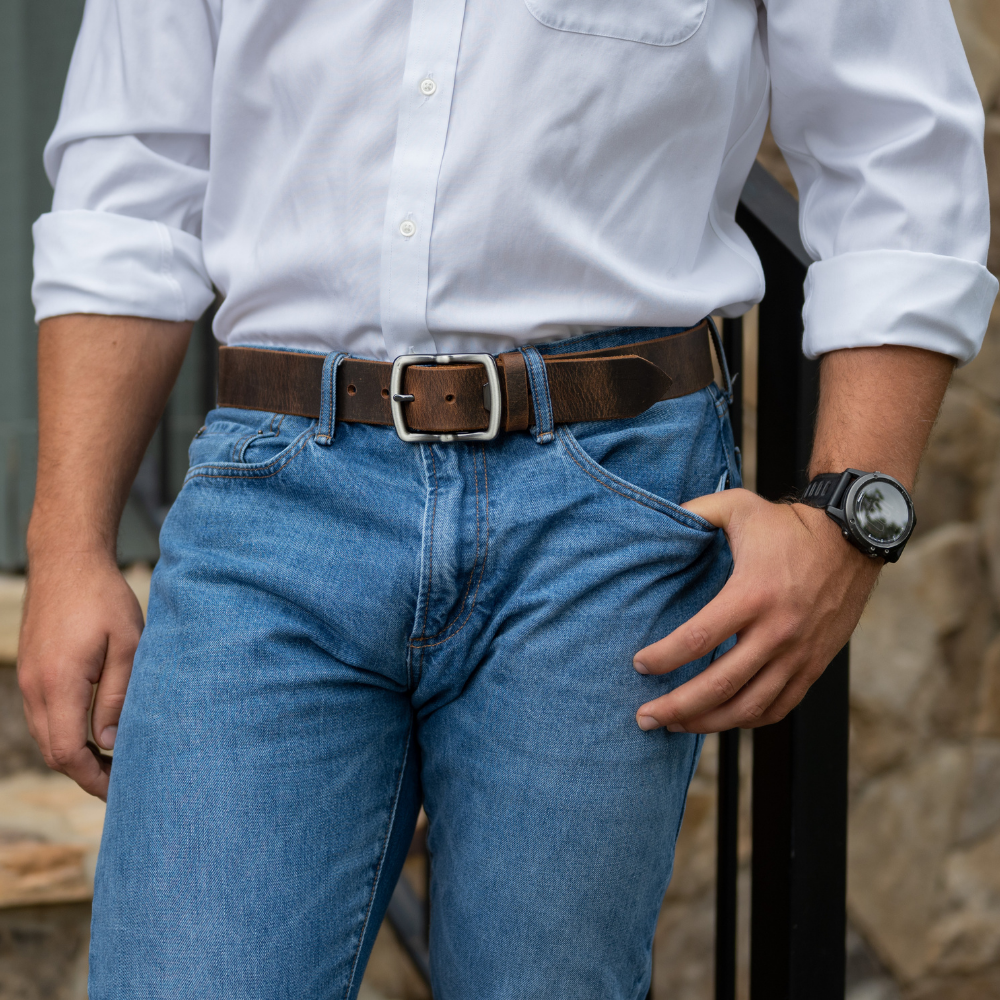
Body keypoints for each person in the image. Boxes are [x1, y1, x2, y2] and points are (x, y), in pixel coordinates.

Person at [17, 0, 995, 995]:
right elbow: (132, 184)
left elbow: (898, 150)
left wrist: (847, 517)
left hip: (605, 505)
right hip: (274, 491)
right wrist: (66, 545)